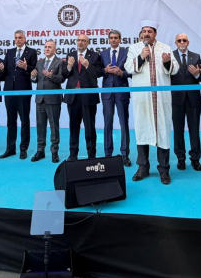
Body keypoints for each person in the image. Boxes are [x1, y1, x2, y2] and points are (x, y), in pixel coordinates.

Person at [126, 20, 179, 185]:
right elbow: (128, 67)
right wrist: (141, 57)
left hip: (161, 98)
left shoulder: (165, 48)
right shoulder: (134, 48)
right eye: (144, 31)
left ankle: (164, 169)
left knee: (163, 131)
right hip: (143, 98)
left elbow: (175, 68)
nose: (146, 34)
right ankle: (143, 167)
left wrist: (167, 62)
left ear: (155, 33)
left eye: (150, 31)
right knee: (142, 129)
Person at [62, 34, 103, 161]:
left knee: (89, 127)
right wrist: (68, 67)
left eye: (83, 40)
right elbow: (65, 74)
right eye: (79, 40)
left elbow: (98, 73)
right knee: (73, 126)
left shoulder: (95, 56)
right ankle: (73, 154)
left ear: (88, 43)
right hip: (73, 96)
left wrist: (87, 65)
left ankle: (91, 154)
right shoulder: (70, 55)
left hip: (88, 97)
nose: (80, 42)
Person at [0, 30, 37, 159]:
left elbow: (35, 70)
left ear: (25, 39)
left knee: (24, 120)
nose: (18, 40)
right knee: (10, 120)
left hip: (23, 90)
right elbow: (5, 72)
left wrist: (26, 67)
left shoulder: (31, 52)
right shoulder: (9, 52)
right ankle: (10, 148)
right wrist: (1, 69)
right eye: (16, 38)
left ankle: (23, 148)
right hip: (9, 89)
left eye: (20, 37)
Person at [170, 32, 201, 171]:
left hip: (193, 99)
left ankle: (195, 158)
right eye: (179, 40)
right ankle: (180, 158)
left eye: (184, 40)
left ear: (188, 42)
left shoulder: (196, 56)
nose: (182, 42)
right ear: (175, 43)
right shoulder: (170, 56)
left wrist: (197, 74)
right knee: (178, 131)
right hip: (176, 99)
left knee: (194, 130)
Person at [100, 29, 131, 166]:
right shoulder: (103, 54)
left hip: (122, 92)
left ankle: (125, 154)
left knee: (124, 123)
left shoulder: (127, 52)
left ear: (120, 39)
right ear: (108, 39)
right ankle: (108, 154)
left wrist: (121, 73)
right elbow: (98, 71)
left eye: (116, 38)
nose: (113, 40)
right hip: (107, 93)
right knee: (107, 123)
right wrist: (105, 70)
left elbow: (132, 72)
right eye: (111, 38)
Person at [31, 40, 65, 163]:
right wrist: (33, 76)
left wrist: (51, 76)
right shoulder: (39, 62)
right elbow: (36, 80)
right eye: (45, 47)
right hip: (40, 99)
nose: (47, 49)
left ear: (55, 49)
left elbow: (61, 79)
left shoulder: (59, 62)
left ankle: (54, 151)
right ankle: (40, 150)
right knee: (40, 126)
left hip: (53, 99)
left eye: (50, 47)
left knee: (54, 126)